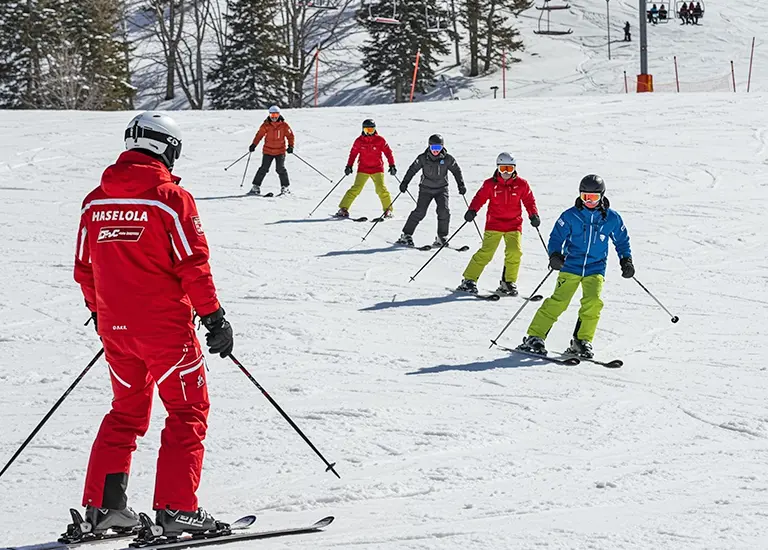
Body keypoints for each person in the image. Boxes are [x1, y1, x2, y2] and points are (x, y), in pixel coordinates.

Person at [74, 112, 234, 537]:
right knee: (187, 411)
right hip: (164, 331)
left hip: (117, 332)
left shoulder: (95, 200)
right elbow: (193, 264)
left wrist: (102, 312)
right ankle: (177, 509)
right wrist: (214, 317)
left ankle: (103, 509)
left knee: (125, 412)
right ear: (166, 148)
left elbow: (84, 268)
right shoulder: (169, 198)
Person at [516, 175, 633, 359]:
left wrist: (626, 260)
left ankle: (581, 341)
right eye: (585, 196)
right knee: (558, 302)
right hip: (570, 266)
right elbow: (556, 237)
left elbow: (622, 240)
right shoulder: (571, 216)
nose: (589, 201)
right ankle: (535, 336)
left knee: (593, 303)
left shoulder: (611, 218)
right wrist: (554, 254)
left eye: (593, 198)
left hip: (595, 268)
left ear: (601, 196)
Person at [457, 153, 538, 296]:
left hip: (514, 225)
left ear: (514, 169)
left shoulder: (522, 184)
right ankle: (469, 280)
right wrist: (472, 210)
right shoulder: (490, 184)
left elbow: (529, 200)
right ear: (497, 168)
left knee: (514, 252)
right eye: (502, 169)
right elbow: (480, 197)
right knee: (487, 252)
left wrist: (533, 214)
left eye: (509, 168)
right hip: (494, 224)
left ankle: (508, 282)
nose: (506, 172)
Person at [395, 134, 465, 247]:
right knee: (420, 212)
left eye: (438, 148)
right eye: (433, 148)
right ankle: (406, 234)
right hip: (425, 189)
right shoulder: (422, 158)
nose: (436, 151)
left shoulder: (448, 159)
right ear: (429, 147)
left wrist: (460, 185)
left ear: (442, 147)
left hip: (442, 189)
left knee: (444, 211)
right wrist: (405, 183)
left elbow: (456, 170)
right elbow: (412, 169)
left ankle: (441, 237)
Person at [335, 119, 396, 218]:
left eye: (371, 130)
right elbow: (353, 154)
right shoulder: (359, 141)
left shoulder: (380, 140)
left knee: (381, 189)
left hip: (377, 168)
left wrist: (392, 165)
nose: (369, 132)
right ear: (363, 130)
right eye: (367, 130)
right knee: (356, 188)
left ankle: (388, 210)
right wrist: (349, 166)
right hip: (363, 169)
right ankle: (343, 208)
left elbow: (388, 153)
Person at [248, 105, 294, 196]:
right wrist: (254, 144)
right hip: (268, 151)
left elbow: (290, 136)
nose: (274, 117)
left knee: (280, 169)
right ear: (269, 115)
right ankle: (255, 187)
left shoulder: (284, 125)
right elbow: (259, 135)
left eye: (276, 115)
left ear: (279, 115)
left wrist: (291, 146)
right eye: (272, 115)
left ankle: (285, 187)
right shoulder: (266, 125)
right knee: (263, 168)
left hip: (280, 151)